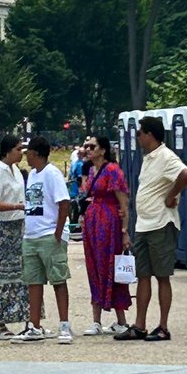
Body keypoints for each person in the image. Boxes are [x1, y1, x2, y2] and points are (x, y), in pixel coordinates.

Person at [118, 115, 187, 342]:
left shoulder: (166, 156)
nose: (138, 137)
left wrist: (171, 195)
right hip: (144, 224)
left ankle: (163, 327)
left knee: (162, 276)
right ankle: (139, 325)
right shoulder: (148, 158)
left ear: (150, 134)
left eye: (140, 133)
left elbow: (186, 174)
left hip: (161, 223)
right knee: (143, 275)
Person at [10, 136, 73, 343]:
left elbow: (64, 202)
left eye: (28, 153)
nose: (25, 156)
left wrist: (58, 232)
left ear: (35, 154)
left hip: (49, 233)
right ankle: (35, 326)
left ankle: (64, 325)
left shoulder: (52, 173)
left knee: (58, 279)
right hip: (31, 235)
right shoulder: (33, 175)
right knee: (33, 281)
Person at [81, 136, 131, 336]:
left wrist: (125, 231)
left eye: (92, 146)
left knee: (109, 266)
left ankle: (119, 320)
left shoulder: (112, 170)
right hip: (94, 222)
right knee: (94, 267)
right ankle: (97, 319)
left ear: (103, 150)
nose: (88, 149)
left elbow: (123, 203)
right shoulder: (91, 170)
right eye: (87, 146)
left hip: (109, 224)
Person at [0, 135, 29, 339]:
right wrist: (16, 206)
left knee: (21, 273)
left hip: (18, 224)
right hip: (1, 227)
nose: (21, 153)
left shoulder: (16, 170)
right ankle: (1, 322)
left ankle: (27, 318)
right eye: (18, 149)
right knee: (3, 274)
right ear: (7, 151)